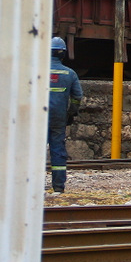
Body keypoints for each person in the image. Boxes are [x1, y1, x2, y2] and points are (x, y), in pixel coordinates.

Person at [48, 36, 83, 194]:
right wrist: (71, 113)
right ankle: (58, 186)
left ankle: (32, 184)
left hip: (38, 118)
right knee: (58, 150)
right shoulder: (70, 74)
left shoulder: (36, 71)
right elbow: (77, 97)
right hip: (58, 118)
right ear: (63, 54)